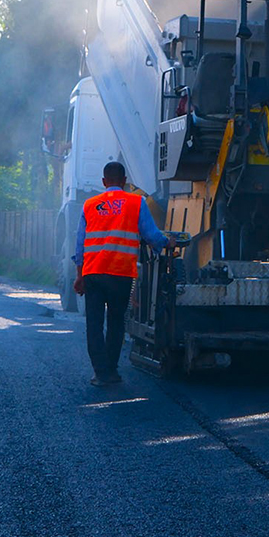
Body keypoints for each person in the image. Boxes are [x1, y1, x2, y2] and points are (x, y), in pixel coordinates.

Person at [72, 161, 170, 386]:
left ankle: (100, 373)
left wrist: (79, 275)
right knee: (116, 322)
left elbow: (80, 246)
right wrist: (167, 242)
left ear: (104, 182)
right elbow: (151, 235)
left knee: (94, 324)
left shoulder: (89, 205)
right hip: (121, 274)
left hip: (93, 273)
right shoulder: (136, 202)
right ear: (124, 182)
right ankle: (112, 370)